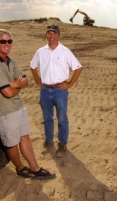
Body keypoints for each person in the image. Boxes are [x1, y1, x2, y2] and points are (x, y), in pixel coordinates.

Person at [0, 29, 55, 180]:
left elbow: (26, 80)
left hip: (18, 107)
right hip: (5, 111)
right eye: (3, 41)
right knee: (11, 143)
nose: (7, 44)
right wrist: (18, 85)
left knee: (24, 137)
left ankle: (35, 168)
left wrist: (13, 84)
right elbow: (8, 93)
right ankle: (20, 168)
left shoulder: (10, 61)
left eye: (9, 41)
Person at [30, 24, 83, 158]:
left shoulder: (65, 51)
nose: (51, 36)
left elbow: (78, 68)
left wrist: (70, 83)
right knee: (47, 118)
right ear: (46, 35)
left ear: (58, 35)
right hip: (45, 90)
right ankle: (48, 141)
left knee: (62, 119)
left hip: (60, 91)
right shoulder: (41, 51)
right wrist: (37, 80)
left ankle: (62, 144)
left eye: (54, 33)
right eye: (49, 33)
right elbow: (33, 66)